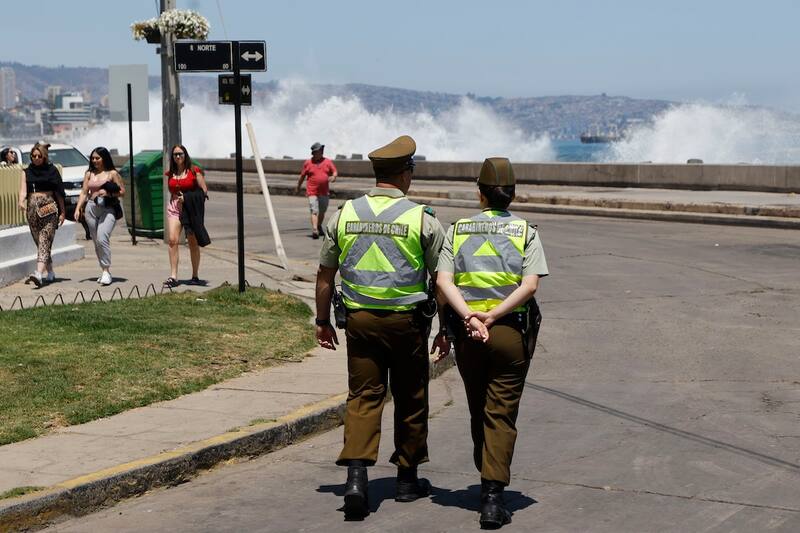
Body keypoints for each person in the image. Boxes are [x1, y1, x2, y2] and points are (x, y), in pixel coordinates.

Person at [314, 135, 449, 520]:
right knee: (410, 395)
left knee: (363, 395)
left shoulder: (344, 215)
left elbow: (325, 276)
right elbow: (441, 281)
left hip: (360, 322)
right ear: (405, 174)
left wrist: (322, 322)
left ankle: (357, 479)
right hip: (406, 323)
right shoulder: (421, 219)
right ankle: (407, 480)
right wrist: (445, 330)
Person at [436, 157, 549, 529]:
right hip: (508, 332)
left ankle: (485, 477)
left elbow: (443, 282)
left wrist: (470, 316)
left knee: (478, 408)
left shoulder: (458, 230)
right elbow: (530, 285)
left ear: (480, 194)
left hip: (469, 334)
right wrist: (493, 315)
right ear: (513, 195)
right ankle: (493, 496)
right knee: (500, 413)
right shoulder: (525, 231)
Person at [17, 142, 66, 287]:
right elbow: (23, 191)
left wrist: (63, 212)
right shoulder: (26, 172)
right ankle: (50, 271)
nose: (36, 158)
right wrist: (21, 201)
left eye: (39, 156)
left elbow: (59, 193)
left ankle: (38, 273)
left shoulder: (52, 171)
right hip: (32, 210)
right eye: (33, 156)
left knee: (45, 239)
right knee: (40, 242)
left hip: (49, 209)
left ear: (44, 157)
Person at [74, 147, 125, 286]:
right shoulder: (89, 173)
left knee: (103, 238)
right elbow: (84, 192)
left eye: (98, 158)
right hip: (91, 208)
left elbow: (122, 191)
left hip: (108, 209)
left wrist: (109, 194)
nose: (95, 161)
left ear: (104, 158)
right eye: (93, 158)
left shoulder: (112, 173)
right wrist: (78, 209)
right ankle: (104, 271)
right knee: (97, 241)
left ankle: (107, 270)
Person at [163, 144, 210, 288]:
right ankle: (173, 276)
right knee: (172, 240)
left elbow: (204, 192)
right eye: (175, 154)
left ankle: (195, 275)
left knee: (192, 242)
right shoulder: (170, 173)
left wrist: (188, 198)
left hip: (190, 210)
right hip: (174, 208)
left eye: (180, 154)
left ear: (185, 155)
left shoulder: (194, 171)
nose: (178, 157)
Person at [296, 141, 337, 239]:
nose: (321, 152)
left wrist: (333, 177)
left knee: (322, 211)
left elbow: (334, 171)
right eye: (319, 150)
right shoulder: (308, 163)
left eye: (321, 150)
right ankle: (315, 229)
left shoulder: (327, 162)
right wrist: (298, 187)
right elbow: (302, 176)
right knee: (314, 210)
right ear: (314, 153)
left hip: (324, 192)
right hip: (312, 191)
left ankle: (319, 225)